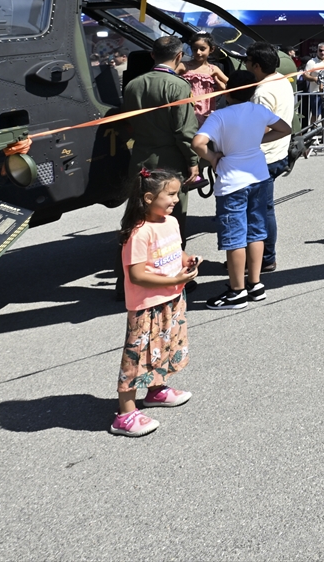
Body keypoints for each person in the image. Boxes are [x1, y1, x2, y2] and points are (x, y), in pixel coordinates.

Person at [192, 71, 293, 310]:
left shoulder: (220, 116)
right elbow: (285, 129)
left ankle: (237, 291)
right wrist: (256, 140)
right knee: (256, 231)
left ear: (228, 93)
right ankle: (255, 284)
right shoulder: (259, 111)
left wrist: (212, 157)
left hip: (232, 181)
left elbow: (198, 143)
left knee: (234, 236)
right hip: (259, 176)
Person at [112, 168, 200, 437]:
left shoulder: (170, 222)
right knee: (137, 357)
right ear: (149, 198)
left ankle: (155, 390)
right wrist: (173, 279)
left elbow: (175, 249)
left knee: (163, 347)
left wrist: (186, 260)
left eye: (177, 194)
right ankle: (125, 414)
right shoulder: (139, 233)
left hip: (171, 298)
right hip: (147, 305)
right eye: (170, 194)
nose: (176, 199)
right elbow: (136, 275)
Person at [121, 36, 200, 240]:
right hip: (170, 161)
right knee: (171, 211)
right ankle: (169, 254)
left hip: (140, 157)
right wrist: (193, 161)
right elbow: (184, 131)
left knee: (140, 211)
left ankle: (135, 252)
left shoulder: (133, 85)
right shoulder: (179, 86)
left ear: (152, 55)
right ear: (179, 56)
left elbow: (128, 123)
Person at [247, 42, 294, 274]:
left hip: (264, 157)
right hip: (279, 152)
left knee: (259, 211)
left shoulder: (262, 92)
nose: (246, 65)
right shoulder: (282, 80)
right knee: (264, 208)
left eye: (247, 61)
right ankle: (261, 257)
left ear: (256, 65)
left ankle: (265, 258)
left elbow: (261, 128)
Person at [181, 34, 228, 127]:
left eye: (202, 49)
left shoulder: (213, 69)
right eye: (194, 49)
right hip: (185, 107)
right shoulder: (183, 66)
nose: (198, 52)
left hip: (204, 110)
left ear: (211, 49)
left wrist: (221, 86)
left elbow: (232, 84)